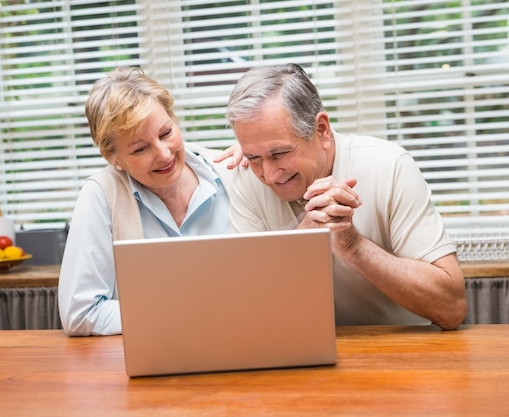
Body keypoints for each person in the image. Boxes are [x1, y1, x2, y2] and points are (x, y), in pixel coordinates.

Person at [219, 63, 467, 330]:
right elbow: (245, 311)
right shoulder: (245, 178)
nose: (268, 174)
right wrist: (302, 242)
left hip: (405, 352)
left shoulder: (389, 165)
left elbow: (451, 308)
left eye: (279, 153)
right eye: (254, 157)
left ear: (322, 130)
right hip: (301, 353)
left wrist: (353, 247)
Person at [58, 66, 235, 336]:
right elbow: (80, 313)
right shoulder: (101, 194)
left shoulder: (231, 171)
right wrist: (182, 315)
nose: (164, 155)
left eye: (166, 133)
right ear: (113, 157)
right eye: (140, 149)